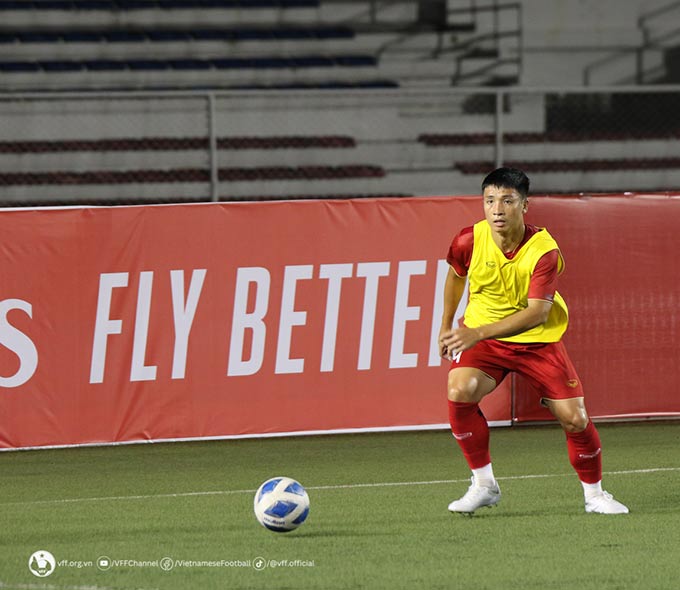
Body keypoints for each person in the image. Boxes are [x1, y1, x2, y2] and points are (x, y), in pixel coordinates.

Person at [438, 167, 628, 515]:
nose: (497, 209)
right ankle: (483, 484)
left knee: (575, 418)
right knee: (459, 389)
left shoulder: (544, 250)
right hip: (486, 339)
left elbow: (537, 313)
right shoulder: (468, 239)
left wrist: (473, 333)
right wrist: (446, 324)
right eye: (489, 201)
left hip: (537, 341)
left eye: (507, 201)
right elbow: (455, 276)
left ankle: (595, 495)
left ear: (524, 205)